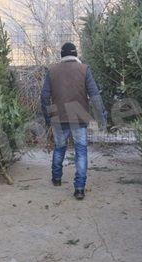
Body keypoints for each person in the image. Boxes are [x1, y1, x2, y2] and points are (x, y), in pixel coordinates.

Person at [40, 42, 107, 200]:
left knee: (59, 147)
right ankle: (79, 189)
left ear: (62, 55)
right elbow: (95, 95)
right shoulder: (84, 69)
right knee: (81, 151)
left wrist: (48, 118)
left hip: (58, 116)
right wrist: (101, 118)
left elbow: (44, 96)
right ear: (75, 54)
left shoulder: (52, 70)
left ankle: (56, 179)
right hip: (79, 115)